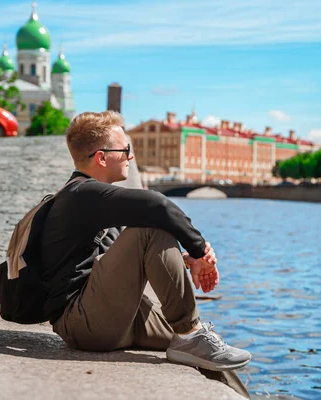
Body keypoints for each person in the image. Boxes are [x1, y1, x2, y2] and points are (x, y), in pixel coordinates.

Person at [40, 110, 251, 373]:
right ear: (102, 157)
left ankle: (195, 343)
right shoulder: (81, 194)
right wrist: (200, 250)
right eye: (125, 149)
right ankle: (190, 334)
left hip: (108, 314)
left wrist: (181, 260)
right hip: (82, 321)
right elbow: (157, 204)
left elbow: (113, 261)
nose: (131, 156)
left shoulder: (99, 202)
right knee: (150, 228)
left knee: (210, 356)